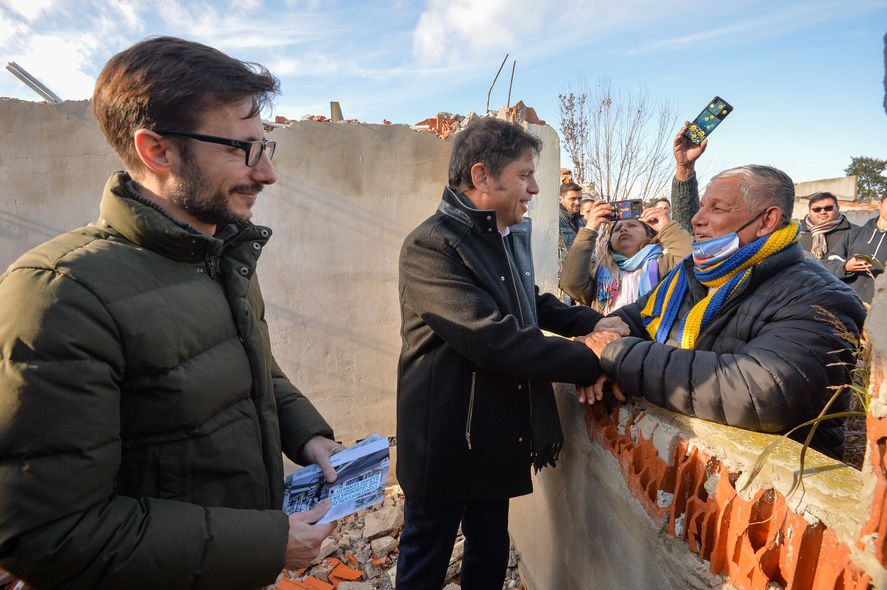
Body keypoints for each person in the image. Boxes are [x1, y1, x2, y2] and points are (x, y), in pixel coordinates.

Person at [0, 37, 342, 589]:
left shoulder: (221, 253)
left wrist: (307, 435)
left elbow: (251, 364)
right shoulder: (59, 295)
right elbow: (51, 535)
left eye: (266, 146)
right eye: (241, 150)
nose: (267, 173)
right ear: (156, 150)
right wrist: (265, 543)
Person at [396, 117, 626, 589]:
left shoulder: (501, 236)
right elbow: (492, 337)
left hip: (495, 428)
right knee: (426, 557)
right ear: (482, 177)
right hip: (445, 435)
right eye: (524, 175)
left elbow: (528, 301)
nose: (536, 188)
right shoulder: (431, 246)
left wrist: (590, 322)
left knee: (490, 549)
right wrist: (590, 357)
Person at [582, 158, 866, 459]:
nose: (696, 219)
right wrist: (612, 329)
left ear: (767, 220)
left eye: (717, 209)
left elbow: (763, 392)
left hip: (756, 491)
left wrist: (617, 357)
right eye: (701, 206)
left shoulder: (821, 296)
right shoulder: (694, 271)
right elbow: (640, 314)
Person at [560, 204, 692, 313]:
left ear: (649, 234)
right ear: (610, 242)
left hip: (652, 342)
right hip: (610, 341)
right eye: (617, 229)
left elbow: (693, 262)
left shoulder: (664, 263)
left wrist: (666, 227)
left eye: (632, 226)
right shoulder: (600, 273)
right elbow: (571, 283)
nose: (623, 229)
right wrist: (590, 229)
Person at [825, 191, 887, 306]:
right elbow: (830, 265)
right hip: (848, 305)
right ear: (880, 204)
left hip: (881, 311)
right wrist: (846, 267)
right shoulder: (853, 234)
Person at [798, 192, 855, 262]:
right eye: (817, 209)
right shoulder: (796, 234)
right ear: (809, 211)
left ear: (838, 208)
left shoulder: (854, 232)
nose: (822, 212)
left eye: (828, 208)